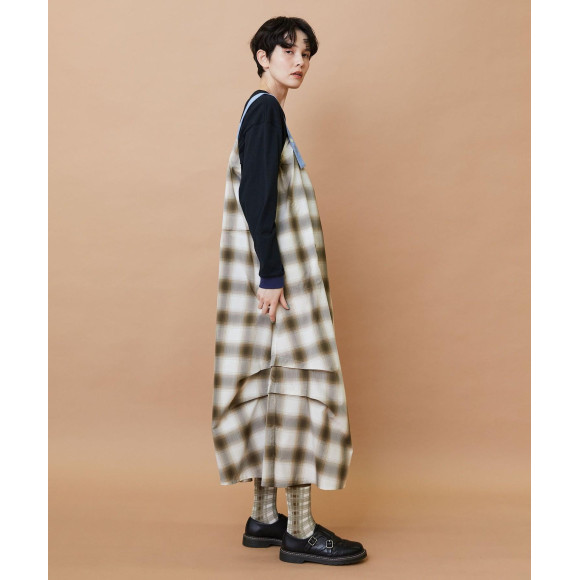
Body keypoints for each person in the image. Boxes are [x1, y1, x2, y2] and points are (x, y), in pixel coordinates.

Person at [211, 16, 367, 566]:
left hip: (268, 282)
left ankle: (264, 518)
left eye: (306, 53)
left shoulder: (263, 113)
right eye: (287, 50)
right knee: (298, 389)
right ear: (262, 56)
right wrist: (273, 275)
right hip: (278, 284)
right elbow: (257, 196)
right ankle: (299, 531)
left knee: (271, 387)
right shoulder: (267, 111)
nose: (299, 61)